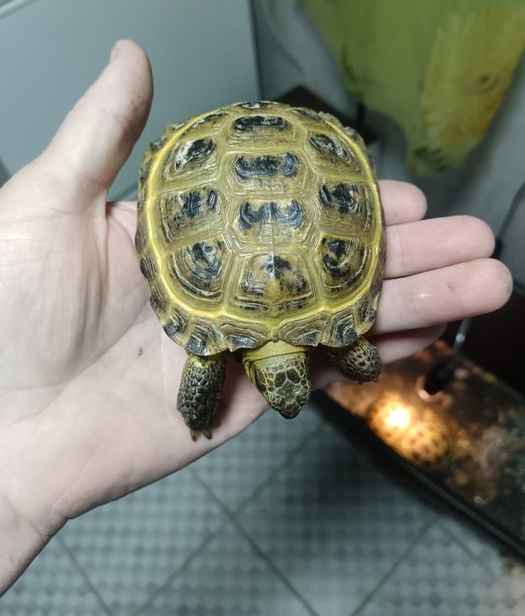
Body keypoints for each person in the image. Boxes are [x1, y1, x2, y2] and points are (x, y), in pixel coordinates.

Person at [0, 40, 512, 595]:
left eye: (279, 390)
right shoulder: (269, 347)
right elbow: (354, 352)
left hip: (235, 157)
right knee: (332, 358)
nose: (286, 401)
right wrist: (350, 357)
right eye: (282, 388)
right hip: (272, 156)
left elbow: (349, 351)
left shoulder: (221, 347)